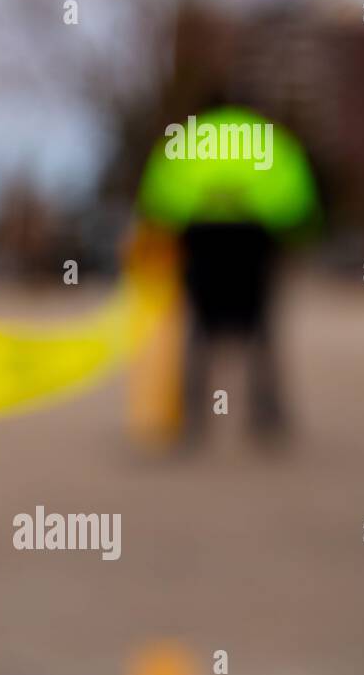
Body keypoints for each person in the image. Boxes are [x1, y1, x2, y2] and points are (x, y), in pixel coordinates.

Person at [136, 104, 320, 443]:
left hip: (201, 240)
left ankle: (192, 419)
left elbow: (158, 198)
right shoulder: (266, 137)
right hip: (255, 241)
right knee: (262, 331)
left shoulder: (190, 137)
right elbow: (298, 200)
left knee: (199, 332)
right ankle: (266, 416)